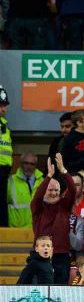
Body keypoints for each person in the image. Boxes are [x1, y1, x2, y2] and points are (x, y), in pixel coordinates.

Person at [31, 154, 75, 284]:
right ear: (44, 190)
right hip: (40, 255)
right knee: (40, 290)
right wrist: (49, 176)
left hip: (61, 255)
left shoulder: (64, 206)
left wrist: (63, 171)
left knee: (60, 291)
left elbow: (72, 189)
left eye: (56, 190)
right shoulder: (38, 208)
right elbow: (38, 195)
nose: (54, 193)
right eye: (50, 190)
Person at [8, 152, 43, 227]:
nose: (29, 166)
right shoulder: (10, 181)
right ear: (21, 164)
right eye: (26, 163)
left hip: (37, 229)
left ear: (35, 165)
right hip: (16, 230)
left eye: (32, 164)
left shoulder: (42, 182)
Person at [0, 86, 12, 226]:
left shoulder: (4, 125)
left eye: (5, 105)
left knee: (2, 202)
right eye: (1, 105)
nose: (4, 109)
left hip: (4, 170)